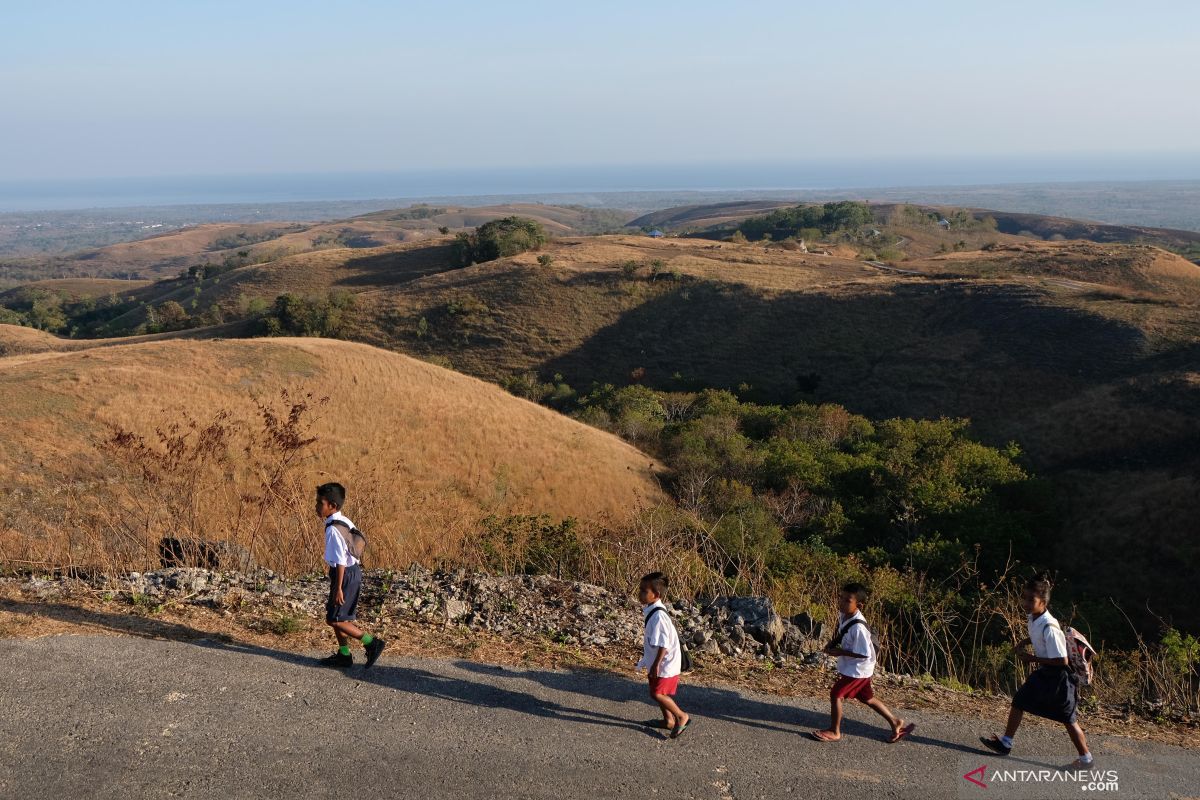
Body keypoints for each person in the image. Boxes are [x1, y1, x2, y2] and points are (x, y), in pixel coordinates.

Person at [981, 574, 1092, 768]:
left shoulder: (1050, 626)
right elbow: (1037, 637)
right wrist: (1024, 642)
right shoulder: (1034, 618)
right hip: (1045, 674)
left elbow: (1061, 660)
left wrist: (1032, 658)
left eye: (1031, 599)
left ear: (1043, 602)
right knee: (1019, 701)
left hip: (1059, 678)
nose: (1025, 602)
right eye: (1024, 597)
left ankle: (1086, 758)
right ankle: (1006, 742)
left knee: (1068, 719)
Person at [809, 582, 914, 743]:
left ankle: (834, 731)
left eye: (847, 600)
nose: (841, 602)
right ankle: (895, 722)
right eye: (841, 598)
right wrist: (831, 644)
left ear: (859, 605)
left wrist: (840, 652)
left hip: (858, 670)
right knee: (867, 698)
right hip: (856, 668)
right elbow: (842, 631)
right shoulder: (844, 615)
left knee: (836, 695)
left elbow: (864, 653)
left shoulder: (859, 628)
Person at [316, 482, 385, 668]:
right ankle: (344, 655)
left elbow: (340, 561)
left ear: (332, 506)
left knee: (333, 619)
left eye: (320, 503)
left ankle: (372, 643)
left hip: (344, 575)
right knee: (340, 618)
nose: (316, 506)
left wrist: (338, 588)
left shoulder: (332, 530)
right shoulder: (344, 521)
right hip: (352, 573)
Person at [635, 572, 691, 738]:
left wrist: (656, 665)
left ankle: (681, 716)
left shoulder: (658, 615)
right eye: (641, 590)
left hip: (665, 662)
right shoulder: (653, 610)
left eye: (644, 591)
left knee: (657, 694)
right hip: (658, 661)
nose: (640, 594)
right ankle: (669, 721)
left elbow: (664, 644)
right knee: (658, 691)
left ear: (656, 595)